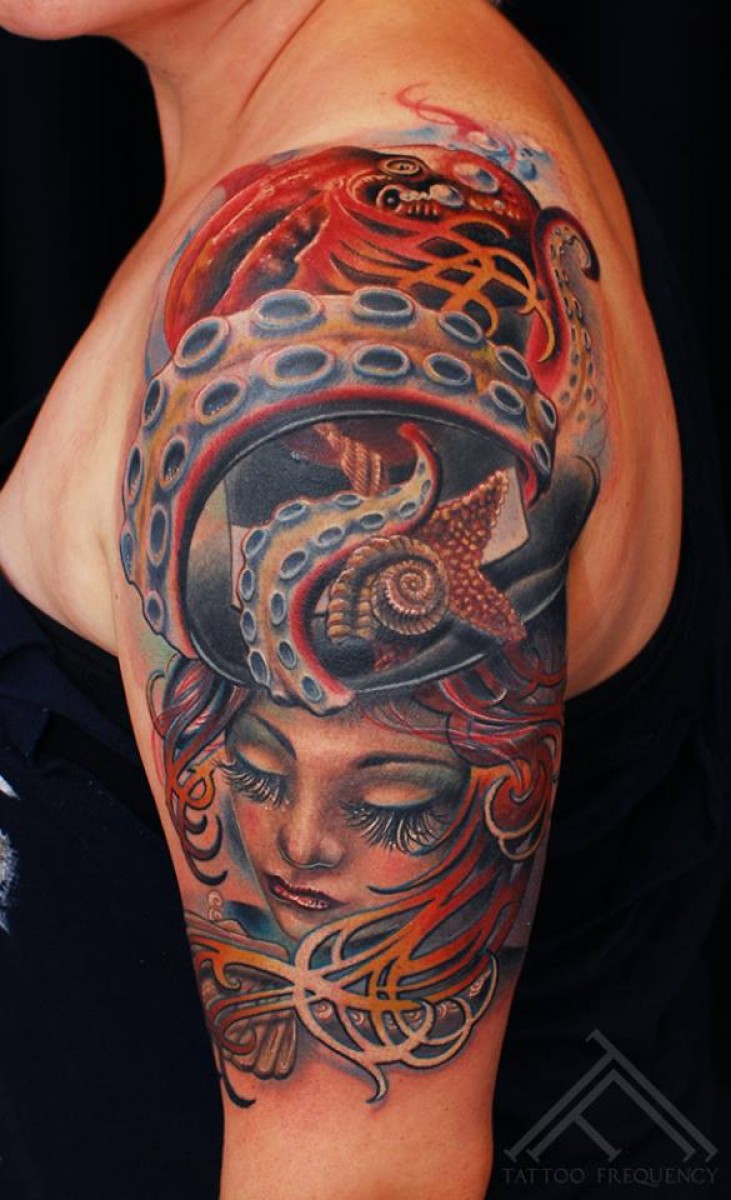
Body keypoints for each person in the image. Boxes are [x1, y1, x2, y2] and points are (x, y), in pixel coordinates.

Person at [0, 2, 728, 1198]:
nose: (301, 844)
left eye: (388, 797)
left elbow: (366, 1182)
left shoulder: (343, 303)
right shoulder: (324, 166)